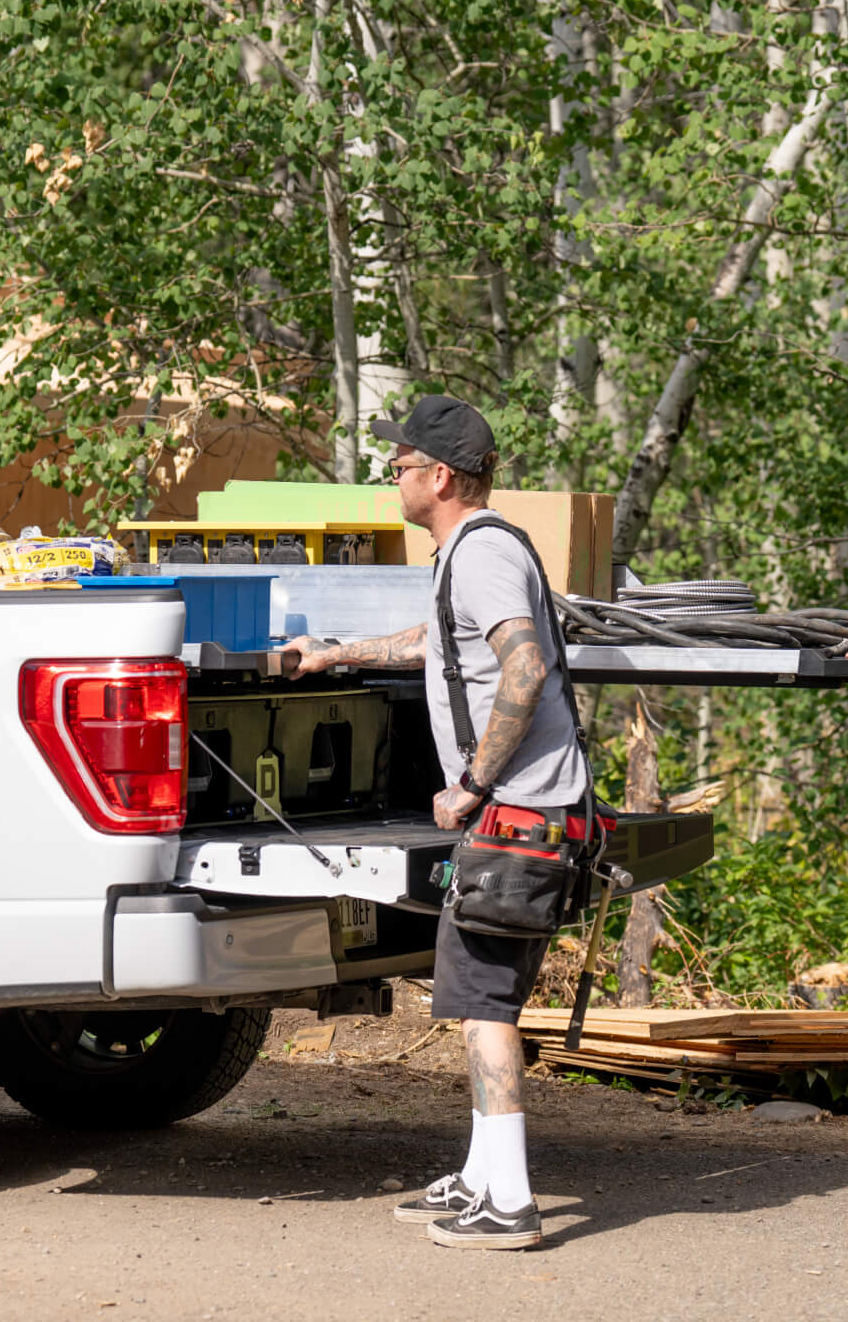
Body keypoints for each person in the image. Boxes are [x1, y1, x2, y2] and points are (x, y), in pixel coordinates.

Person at [284, 396, 590, 1250]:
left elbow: (522, 666)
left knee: (483, 1002)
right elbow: (444, 644)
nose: (393, 475)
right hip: (526, 809)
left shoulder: (483, 552)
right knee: (477, 996)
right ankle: (485, 1175)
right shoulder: (471, 553)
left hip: (516, 810)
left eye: (402, 464)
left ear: (442, 476)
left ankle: (512, 1199)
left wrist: (473, 782)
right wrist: (339, 652)